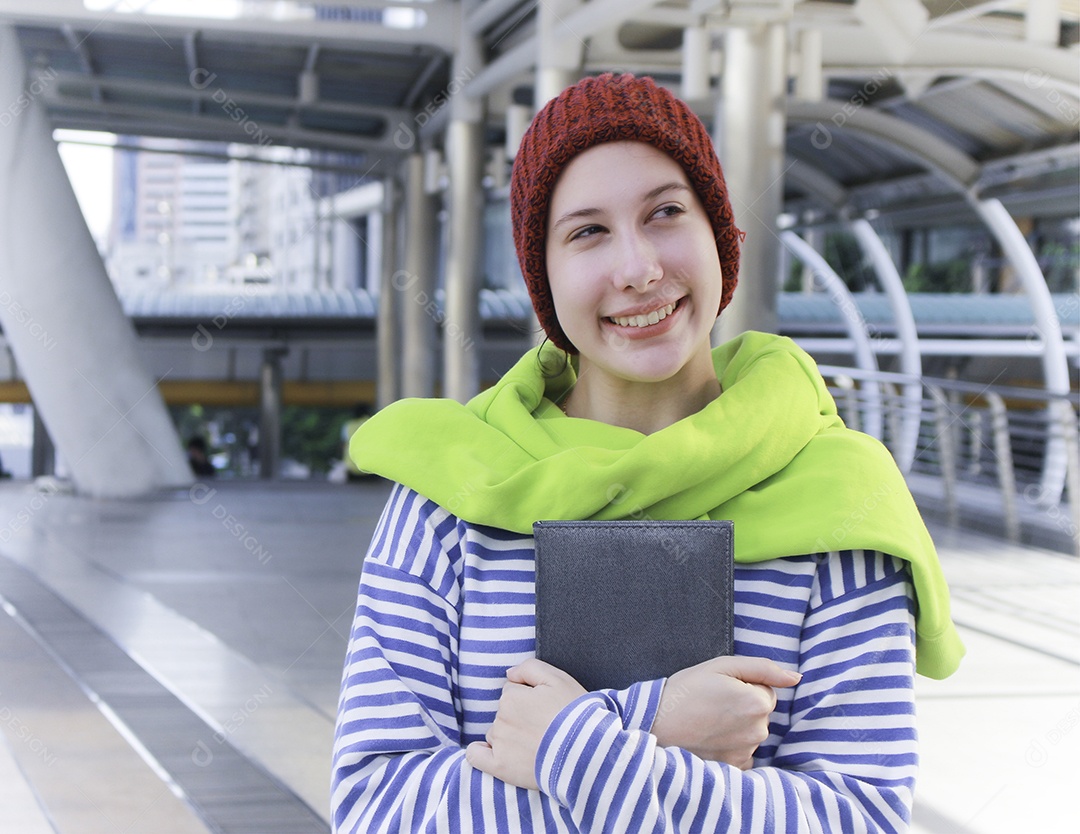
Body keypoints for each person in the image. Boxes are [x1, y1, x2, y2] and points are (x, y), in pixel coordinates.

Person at [332, 73, 964, 833]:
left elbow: (860, 817)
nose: (637, 268)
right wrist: (653, 724)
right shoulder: (449, 490)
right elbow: (374, 809)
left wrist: (569, 751)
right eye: (587, 232)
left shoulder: (840, 494)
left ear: (720, 236)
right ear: (546, 279)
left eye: (665, 212)